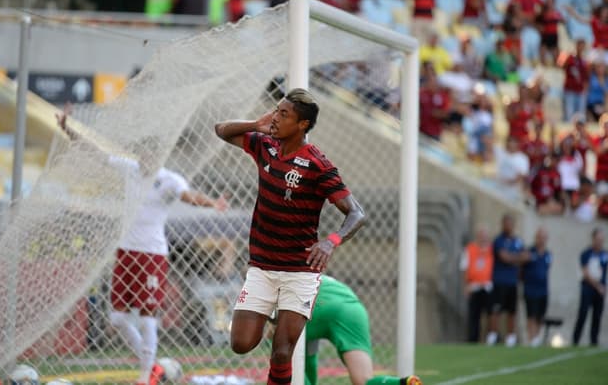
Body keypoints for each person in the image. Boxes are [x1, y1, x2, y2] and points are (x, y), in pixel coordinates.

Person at [56, 106, 227, 385]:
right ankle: (155, 365)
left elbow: (187, 196)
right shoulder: (130, 169)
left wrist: (212, 203)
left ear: (160, 156)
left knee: (148, 316)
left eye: (152, 154)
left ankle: (146, 376)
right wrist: (68, 129)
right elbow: (96, 154)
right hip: (126, 252)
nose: (147, 158)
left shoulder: (169, 180)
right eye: (143, 153)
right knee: (117, 318)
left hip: (152, 254)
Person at [214, 88, 365, 385]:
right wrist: (255, 124)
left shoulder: (318, 165)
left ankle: (281, 321)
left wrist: (331, 241)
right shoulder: (265, 145)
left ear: (302, 125)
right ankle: (274, 313)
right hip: (262, 267)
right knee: (240, 343)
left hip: (300, 271)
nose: (276, 117)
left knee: (282, 353)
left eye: (284, 114)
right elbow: (221, 131)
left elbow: (356, 213)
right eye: (277, 110)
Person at [305, 275, 422, 385]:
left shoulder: (292, 279)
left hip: (314, 308)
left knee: (289, 362)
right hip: (351, 310)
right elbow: (309, 356)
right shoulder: (313, 274)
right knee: (363, 379)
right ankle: (403, 382)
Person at [486, 214, 531, 347]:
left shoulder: (518, 241)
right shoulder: (498, 240)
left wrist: (514, 258)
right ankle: (493, 335)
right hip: (499, 280)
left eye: (510, 223)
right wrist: (517, 258)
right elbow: (505, 257)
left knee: (512, 311)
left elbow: (526, 256)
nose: (508, 226)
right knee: (496, 309)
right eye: (506, 223)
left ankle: (510, 336)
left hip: (513, 281)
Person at [573, 228, 608, 346]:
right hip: (588, 288)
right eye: (598, 239)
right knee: (583, 313)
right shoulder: (586, 254)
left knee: (597, 316)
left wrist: (603, 287)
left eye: (601, 240)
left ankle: (594, 341)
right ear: (593, 239)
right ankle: (576, 340)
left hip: (601, 290)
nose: (599, 242)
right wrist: (597, 286)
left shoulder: (605, 255)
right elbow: (585, 272)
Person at [460, 226, 494, 343]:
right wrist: (466, 286)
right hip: (474, 287)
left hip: (488, 287)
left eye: (485, 236)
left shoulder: (492, 250)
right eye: (481, 236)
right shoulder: (470, 249)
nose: (483, 238)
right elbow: (464, 268)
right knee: (474, 315)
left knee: (490, 314)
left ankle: (490, 338)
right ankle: (473, 339)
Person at [522, 227, 552, 347]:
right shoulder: (529, 252)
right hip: (530, 289)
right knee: (531, 315)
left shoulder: (548, 254)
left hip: (543, 289)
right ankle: (532, 338)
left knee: (540, 315)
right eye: (540, 237)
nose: (541, 240)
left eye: (544, 237)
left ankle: (537, 337)